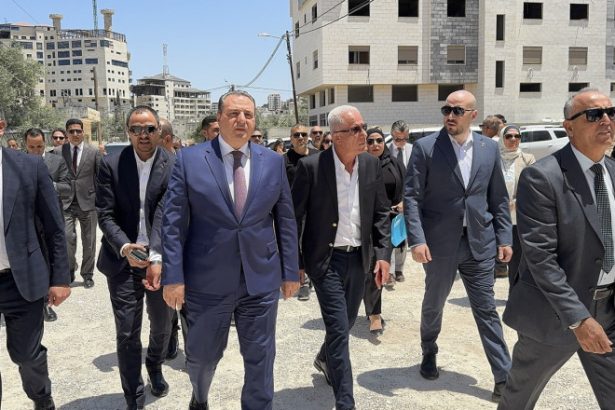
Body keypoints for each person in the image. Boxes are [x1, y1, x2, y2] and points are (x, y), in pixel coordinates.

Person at [161, 90, 299, 410]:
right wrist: (173, 277)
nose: (241, 120)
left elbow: (286, 220)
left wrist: (290, 271)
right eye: (234, 114)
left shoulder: (273, 162)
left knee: (261, 359)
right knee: (202, 358)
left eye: (248, 115)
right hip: (207, 282)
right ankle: (200, 396)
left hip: (260, 280)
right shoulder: (189, 160)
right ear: (220, 118)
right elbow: (173, 224)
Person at [499, 88, 615, 409]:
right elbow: (540, 258)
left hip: (608, 310)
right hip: (554, 315)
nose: (606, 120)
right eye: (594, 115)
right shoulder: (542, 177)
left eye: (611, 113)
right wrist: (579, 319)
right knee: (519, 399)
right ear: (569, 127)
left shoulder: (612, 171)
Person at [404, 90, 513, 402]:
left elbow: (498, 198)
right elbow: (412, 197)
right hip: (439, 244)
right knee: (434, 303)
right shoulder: (426, 148)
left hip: (479, 242)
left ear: (473, 115)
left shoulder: (489, 148)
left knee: (486, 309)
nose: (450, 115)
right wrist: (417, 239)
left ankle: (503, 376)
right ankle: (429, 350)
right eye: (446, 110)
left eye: (457, 111)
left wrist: (504, 237)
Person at [292, 105, 391, 410]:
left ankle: (325, 359)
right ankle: (345, 402)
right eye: (355, 130)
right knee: (338, 330)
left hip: (359, 260)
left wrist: (383, 255)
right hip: (326, 262)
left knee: (345, 323)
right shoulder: (311, 167)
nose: (364, 134)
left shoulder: (371, 165)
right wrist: (296, 264)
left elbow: (381, 213)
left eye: (364, 127)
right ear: (335, 136)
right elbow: (295, 218)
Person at [96, 106, 176, 410]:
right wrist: (125, 247)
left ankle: (154, 365)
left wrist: (155, 256)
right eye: (136, 129)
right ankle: (134, 396)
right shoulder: (111, 164)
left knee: (162, 325)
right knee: (127, 331)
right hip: (122, 260)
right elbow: (105, 214)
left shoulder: (173, 164)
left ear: (159, 131)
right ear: (128, 132)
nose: (143, 135)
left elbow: (167, 215)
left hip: (160, 259)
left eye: (150, 129)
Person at [0, 112, 71, 410]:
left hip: (21, 280)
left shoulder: (29, 167)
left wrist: (60, 279)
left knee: (26, 355)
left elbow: (54, 227)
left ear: (1, 126)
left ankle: (42, 399)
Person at [24, 128, 71, 322]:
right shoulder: (18, 163)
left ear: (45, 144)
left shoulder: (57, 162)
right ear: (25, 146)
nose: (36, 151)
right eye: (31, 147)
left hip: (51, 219)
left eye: (39, 147)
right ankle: (37, 302)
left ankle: (47, 302)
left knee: (51, 257)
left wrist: (49, 185)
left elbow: (68, 188)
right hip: (28, 220)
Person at [362, 127, 405, 335]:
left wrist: (403, 203)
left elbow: (406, 187)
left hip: (389, 223)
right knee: (371, 267)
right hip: (365, 224)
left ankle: (372, 310)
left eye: (379, 140)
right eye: (370, 141)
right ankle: (374, 314)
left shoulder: (394, 163)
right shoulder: (360, 164)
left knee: (380, 266)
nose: (375, 145)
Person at [56, 118, 101, 287]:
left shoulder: (93, 151)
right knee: (67, 238)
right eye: (71, 131)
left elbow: (100, 177)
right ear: (67, 133)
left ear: (83, 132)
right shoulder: (58, 152)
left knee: (89, 241)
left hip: (88, 202)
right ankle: (69, 270)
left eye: (78, 131)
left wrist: (100, 201)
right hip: (65, 202)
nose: (75, 134)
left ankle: (87, 274)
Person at [496, 124, 535, 286]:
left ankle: (515, 294)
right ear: (502, 138)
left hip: (517, 217)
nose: (513, 139)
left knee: (516, 260)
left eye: (517, 136)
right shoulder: (494, 159)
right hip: (496, 217)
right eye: (509, 136)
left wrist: (518, 202)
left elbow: (533, 186)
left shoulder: (527, 159)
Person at [284, 123, 319, 301]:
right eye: (296, 135)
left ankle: (315, 277)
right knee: (296, 246)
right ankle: (303, 282)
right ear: (291, 138)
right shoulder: (284, 160)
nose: (300, 138)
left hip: (315, 209)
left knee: (314, 244)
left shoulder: (318, 156)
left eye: (303, 135)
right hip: (293, 212)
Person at [386, 120, 412, 287]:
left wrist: (406, 201)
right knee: (388, 236)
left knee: (401, 235)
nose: (401, 142)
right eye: (397, 139)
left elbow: (415, 178)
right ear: (392, 135)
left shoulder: (413, 150)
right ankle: (389, 271)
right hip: (388, 200)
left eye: (404, 139)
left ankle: (399, 269)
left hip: (406, 199)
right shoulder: (385, 150)